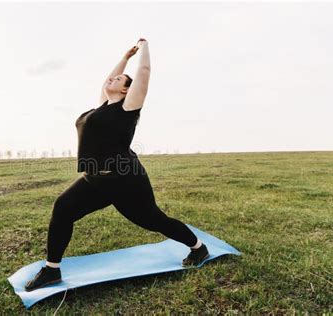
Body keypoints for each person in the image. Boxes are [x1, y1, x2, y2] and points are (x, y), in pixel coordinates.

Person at [25, 38, 209, 292]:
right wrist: (125, 56)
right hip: (94, 180)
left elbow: (143, 73)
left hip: (125, 180)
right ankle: (52, 270)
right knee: (63, 207)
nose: (112, 80)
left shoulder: (128, 107)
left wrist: (143, 48)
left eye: (119, 80)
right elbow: (106, 82)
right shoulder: (101, 107)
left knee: (154, 220)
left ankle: (198, 248)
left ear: (126, 90)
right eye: (113, 78)